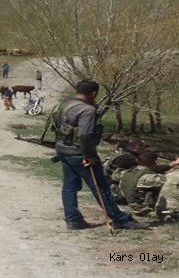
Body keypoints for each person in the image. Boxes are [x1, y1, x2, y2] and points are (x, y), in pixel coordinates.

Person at [53, 79, 149, 230]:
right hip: (80, 154)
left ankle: (72, 220)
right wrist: (89, 156)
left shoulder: (66, 104)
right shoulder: (87, 110)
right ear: (93, 93)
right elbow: (85, 135)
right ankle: (120, 219)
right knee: (101, 187)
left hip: (63, 150)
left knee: (69, 186)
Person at [119, 151, 179, 216]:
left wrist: (172, 164)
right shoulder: (148, 178)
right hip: (146, 210)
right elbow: (169, 179)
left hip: (133, 205)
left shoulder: (125, 173)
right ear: (153, 163)